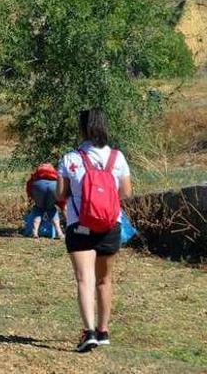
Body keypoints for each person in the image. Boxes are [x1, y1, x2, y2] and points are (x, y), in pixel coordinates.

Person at [56, 108, 132, 352]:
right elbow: (126, 193)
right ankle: (103, 330)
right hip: (111, 224)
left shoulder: (70, 159)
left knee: (84, 278)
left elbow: (59, 194)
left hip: (80, 225)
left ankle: (88, 332)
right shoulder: (117, 158)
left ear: (83, 129)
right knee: (104, 279)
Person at [25, 163, 66, 239]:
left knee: (38, 208)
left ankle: (34, 233)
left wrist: (30, 201)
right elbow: (62, 202)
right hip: (54, 185)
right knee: (51, 209)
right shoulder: (56, 174)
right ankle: (60, 233)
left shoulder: (35, 176)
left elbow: (29, 188)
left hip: (38, 185)